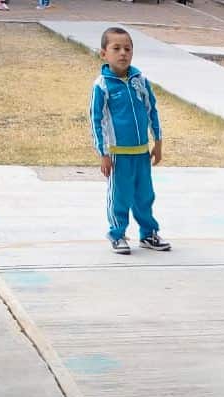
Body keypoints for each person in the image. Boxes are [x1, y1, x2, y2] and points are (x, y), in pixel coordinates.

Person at [92, 27, 170, 256]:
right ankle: (117, 235)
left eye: (127, 48)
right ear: (103, 54)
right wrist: (103, 153)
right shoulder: (102, 85)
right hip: (118, 154)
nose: (123, 53)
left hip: (141, 153)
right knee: (120, 196)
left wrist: (158, 142)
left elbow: (152, 111)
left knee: (145, 195)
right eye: (116, 48)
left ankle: (148, 234)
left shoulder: (141, 81)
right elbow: (97, 121)